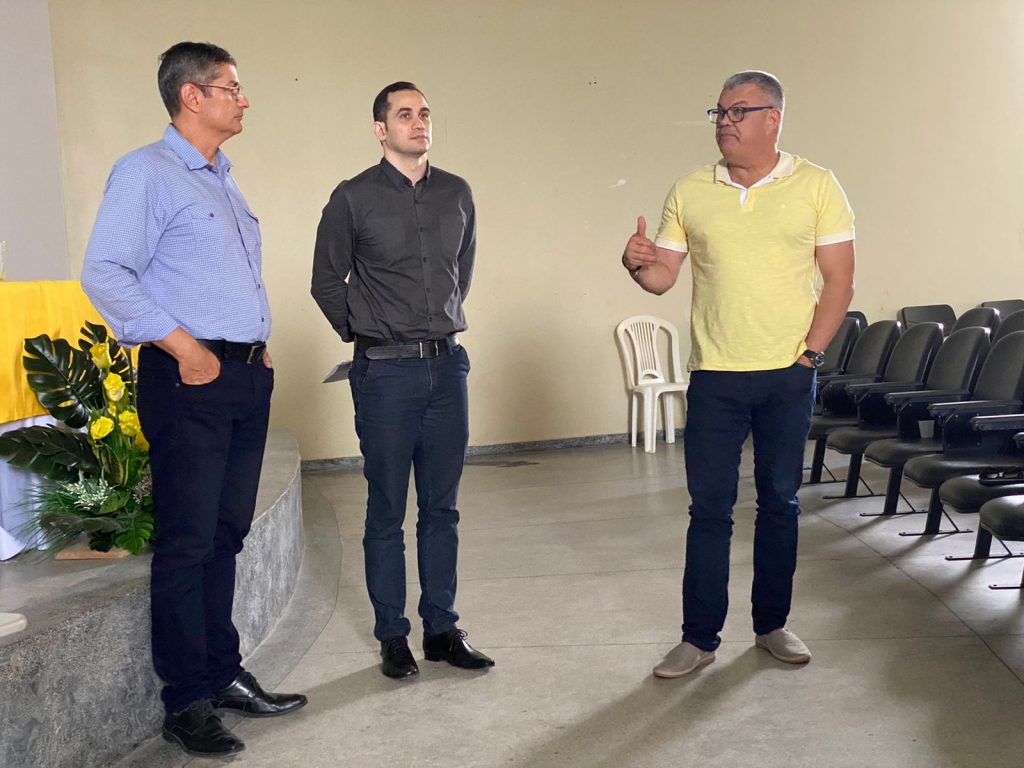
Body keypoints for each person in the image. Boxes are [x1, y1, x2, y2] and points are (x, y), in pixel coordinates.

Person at [82, 41, 306, 757]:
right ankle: (185, 701)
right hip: (189, 381)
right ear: (192, 96)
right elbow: (105, 271)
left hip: (241, 377)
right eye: (232, 88)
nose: (244, 99)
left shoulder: (223, 180)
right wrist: (186, 348)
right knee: (186, 543)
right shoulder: (147, 172)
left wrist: (253, 346)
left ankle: (221, 672)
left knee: (225, 536)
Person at [621, 70, 855, 678]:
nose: (725, 122)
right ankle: (698, 638)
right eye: (719, 112)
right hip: (715, 376)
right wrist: (636, 264)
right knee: (709, 510)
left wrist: (811, 357)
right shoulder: (691, 190)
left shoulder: (817, 185)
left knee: (779, 503)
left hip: (787, 375)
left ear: (773, 118)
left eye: (739, 111)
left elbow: (839, 281)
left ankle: (772, 625)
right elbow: (662, 278)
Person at [311, 81, 493, 680]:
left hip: (447, 368)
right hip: (385, 374)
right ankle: (393, 635)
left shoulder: (457, 193)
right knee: (387, 508)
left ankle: (441, 629)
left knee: (442, 509)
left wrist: (435, 321)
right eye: (405, 114)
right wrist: (366, 330)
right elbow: (326, 281)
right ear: (380, 129)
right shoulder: (353, 197)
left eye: (425, 113)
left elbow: (460, 272)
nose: (419, 123)